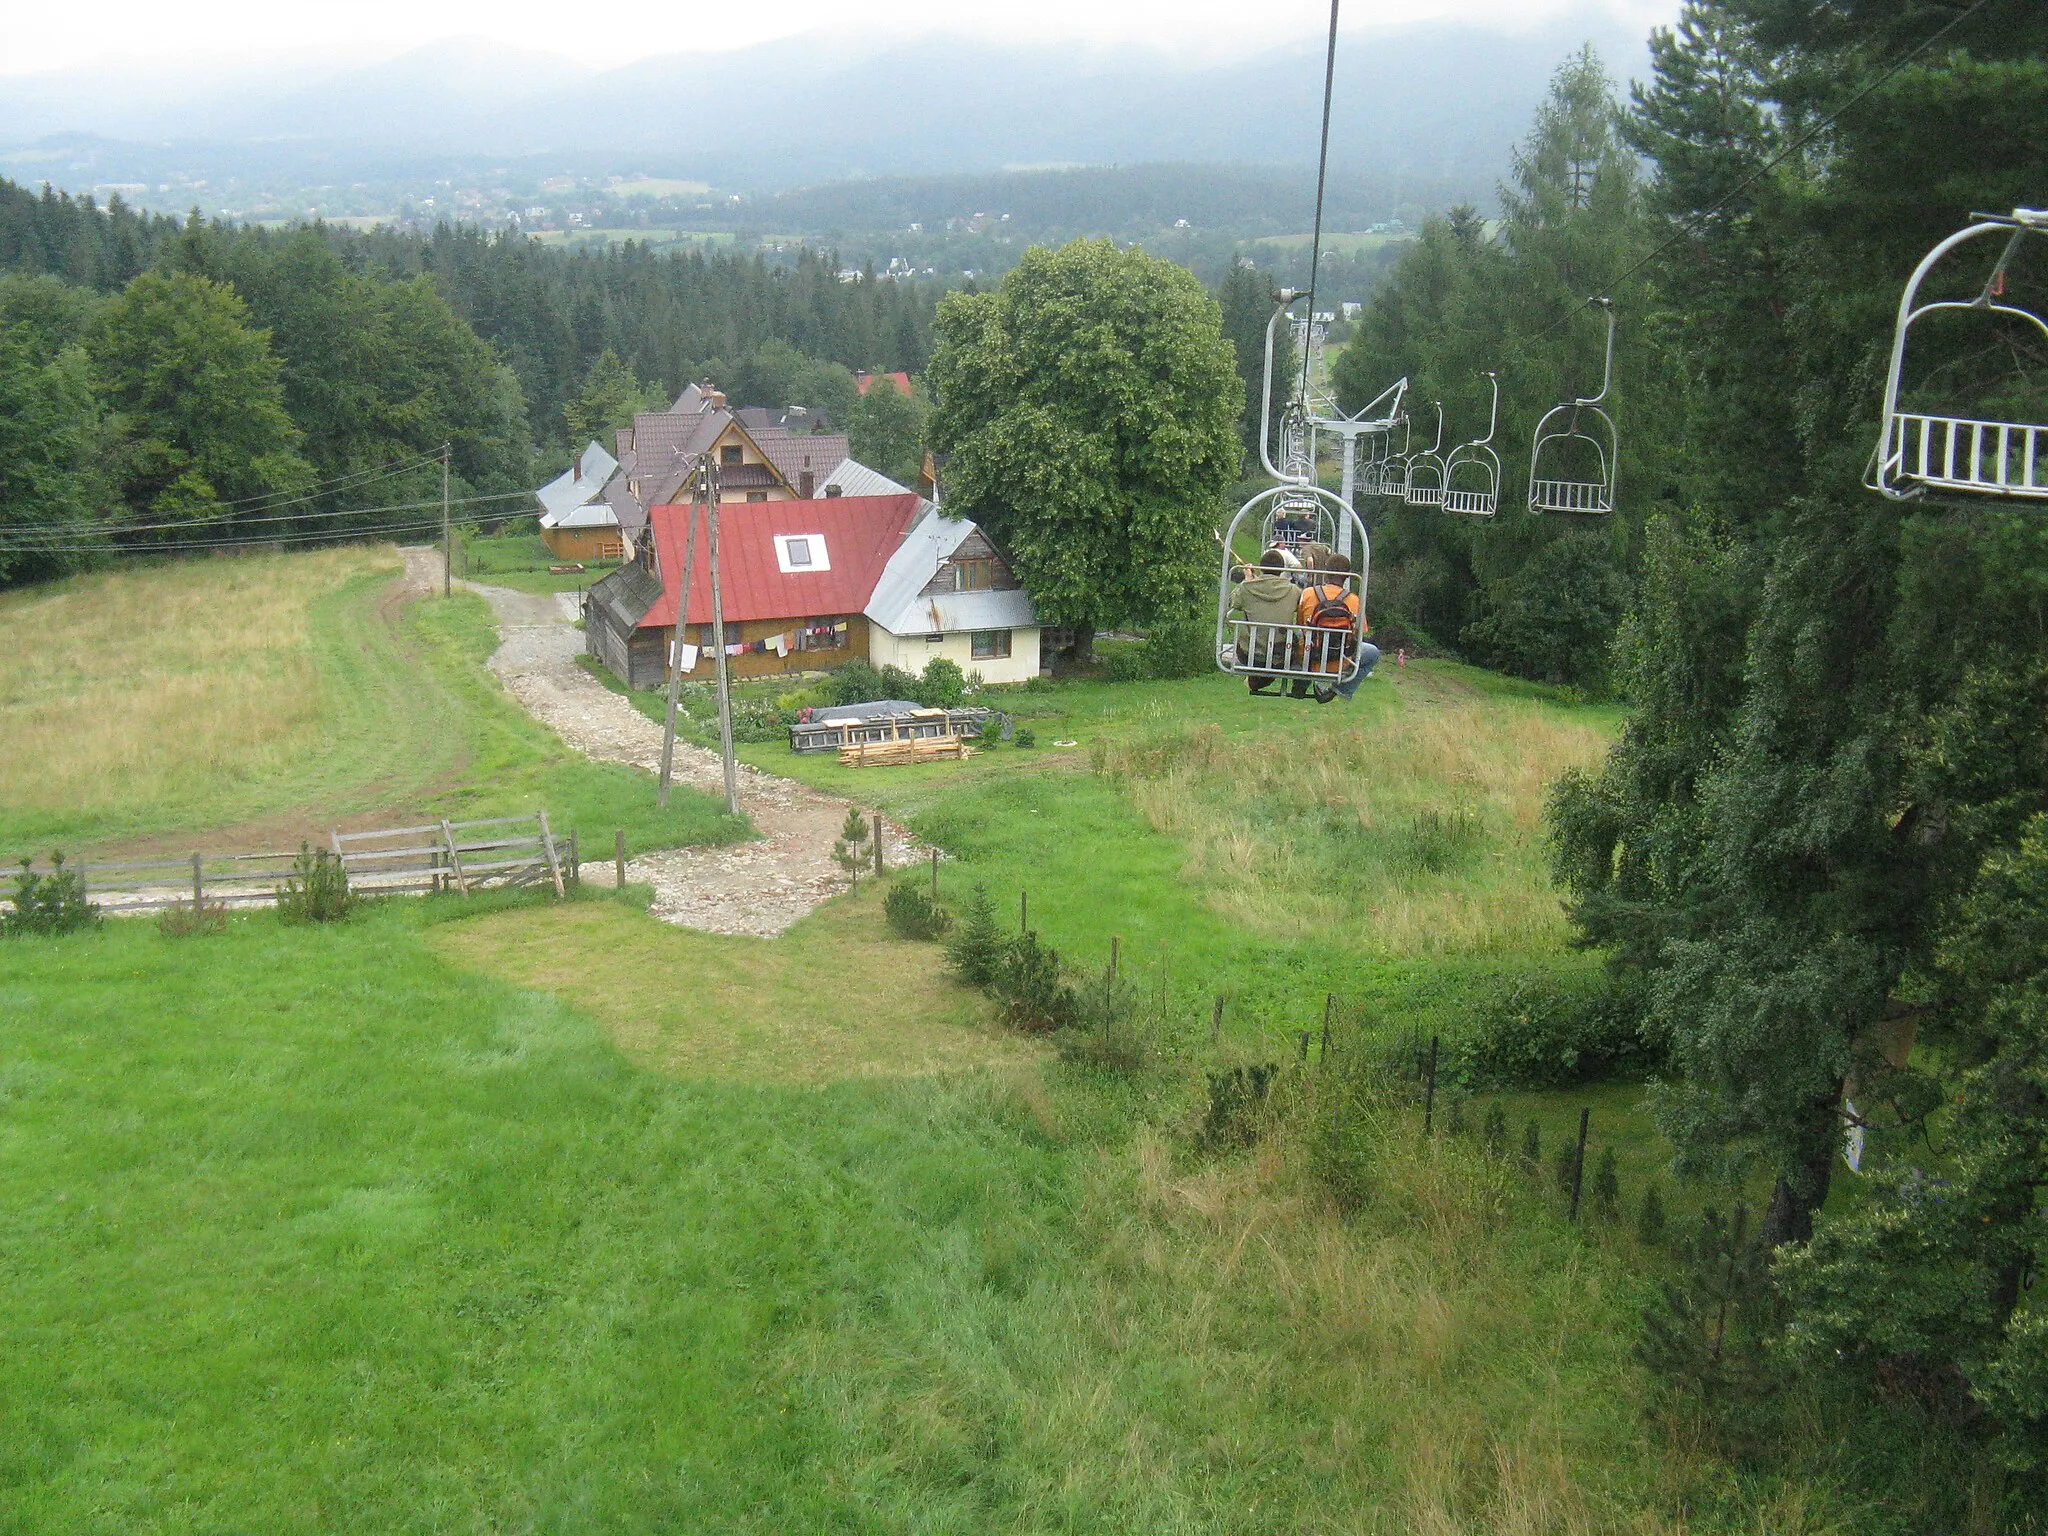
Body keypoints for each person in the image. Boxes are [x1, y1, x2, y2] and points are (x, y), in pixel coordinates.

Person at [1294, 552, 1380, 703]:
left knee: (1300, 637)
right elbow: (1360, 632)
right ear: (1346, 577)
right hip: (1340, 660)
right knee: (1372, 652)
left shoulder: (1308, 593)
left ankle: (1302, 681)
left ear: (1326, 572)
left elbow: (1300, 624)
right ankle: (1340, 690)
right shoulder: (1353, 600)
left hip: (1308, 657)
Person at [1228, 548, 1302, 694]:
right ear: (1282, 570)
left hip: (1249, 654)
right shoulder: (1294, 591)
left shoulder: (1247, 588)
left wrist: (1248, 580)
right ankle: (1256, 682)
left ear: (1261, 568)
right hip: (1282, 655)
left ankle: (1255, 681)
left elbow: (1233, 602)